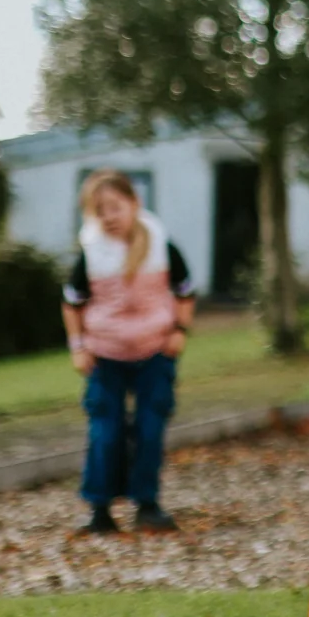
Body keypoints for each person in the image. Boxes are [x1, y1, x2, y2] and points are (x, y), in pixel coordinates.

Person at [63, 169, 196, 535]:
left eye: (115, 207)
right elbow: (71, 304)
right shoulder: (90, 255)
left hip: (154, 352)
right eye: (99, 210)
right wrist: (78, 346)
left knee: (150, 427)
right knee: (105, 431)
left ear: (134, 204)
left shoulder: (162, 246)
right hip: (105, 356)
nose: (108, 216)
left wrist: (179, 331)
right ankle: (99, 509)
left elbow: (185, 291)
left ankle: (147, 504)